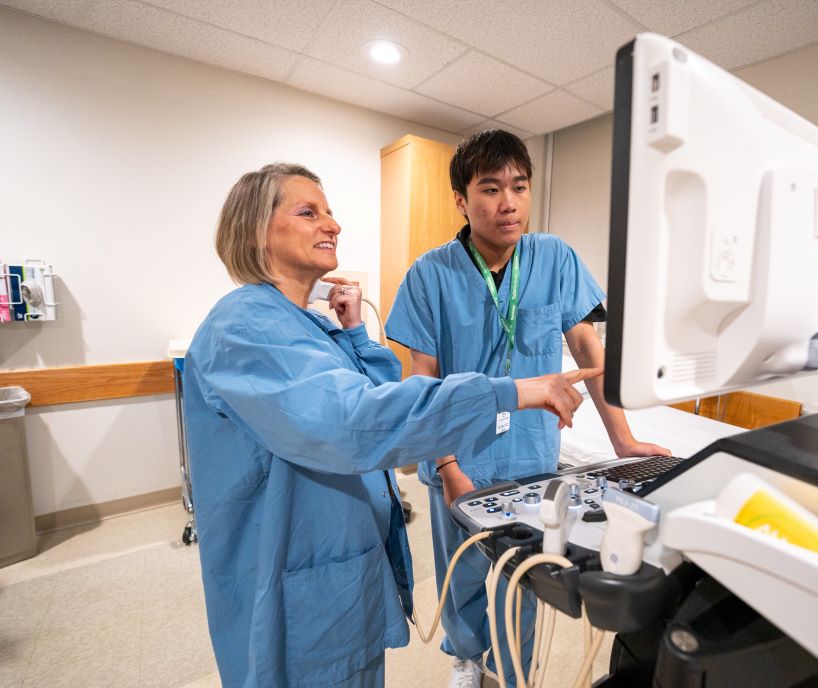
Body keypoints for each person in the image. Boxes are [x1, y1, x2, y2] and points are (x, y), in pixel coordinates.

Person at [183, 162, 600, 688]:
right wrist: (512, 391)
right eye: (309, 212)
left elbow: (374, 392)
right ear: (254, 229)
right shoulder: (245, 326)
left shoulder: (305, 324)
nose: (332, 225)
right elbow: (355, 422)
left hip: (339, 572)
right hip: (295, 587)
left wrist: (355, 333)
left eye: (330, 212)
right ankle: (469, 656)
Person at [385, 130, 672, 688]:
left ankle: (512, 669)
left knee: (524, 572)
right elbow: (423, 379)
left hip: (530, 455)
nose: (508, 202)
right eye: (489, 189)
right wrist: (448, 469)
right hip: (457, 456)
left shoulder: (554, 257)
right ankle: (467, 656)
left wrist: (623, 442)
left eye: (519, 186)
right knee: (463, 568)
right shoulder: (429, 275)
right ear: (461, 201)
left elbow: (589, 351)